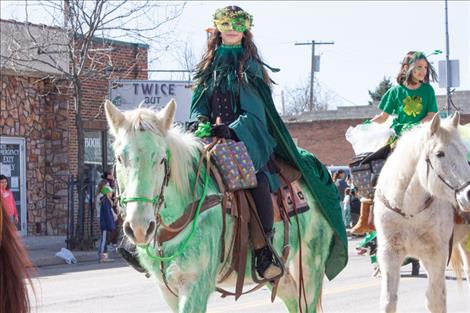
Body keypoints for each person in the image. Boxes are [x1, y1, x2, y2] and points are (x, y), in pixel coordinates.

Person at [189, 5, 347, 280]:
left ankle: (264, 251)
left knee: (256, 178)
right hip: (209, 137)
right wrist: (198, 120)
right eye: (225, 22)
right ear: (217, 27)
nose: (231, 28)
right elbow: (199, 103)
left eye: (238, 23)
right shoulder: (208, 65)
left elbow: (254, 111)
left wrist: (231, 129)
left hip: (245, 138)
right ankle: (154, 239)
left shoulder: (249, 66)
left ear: (246, 29)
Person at [351, 51, 438, 235]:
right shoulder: (395, 91)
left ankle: (451, 208)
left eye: (425, 68)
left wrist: (414, 126)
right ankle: (365, 217)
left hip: (420, 136)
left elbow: (431, 116)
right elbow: (383, 117)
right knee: (372, 165)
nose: (423, 71)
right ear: (407, 68)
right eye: (419, 67)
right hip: (398, 139)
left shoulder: (428, 91)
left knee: (441, 161)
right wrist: (367, 125)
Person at [97, 181, 116, 263]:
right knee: (104, 239)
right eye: (107, 186)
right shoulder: (102, 198)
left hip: (105, 220)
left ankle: (104, 257)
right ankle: (102, 256)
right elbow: (107, 212)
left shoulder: (105, 199)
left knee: (104, 239)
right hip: (104, 221)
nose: (111, 193)